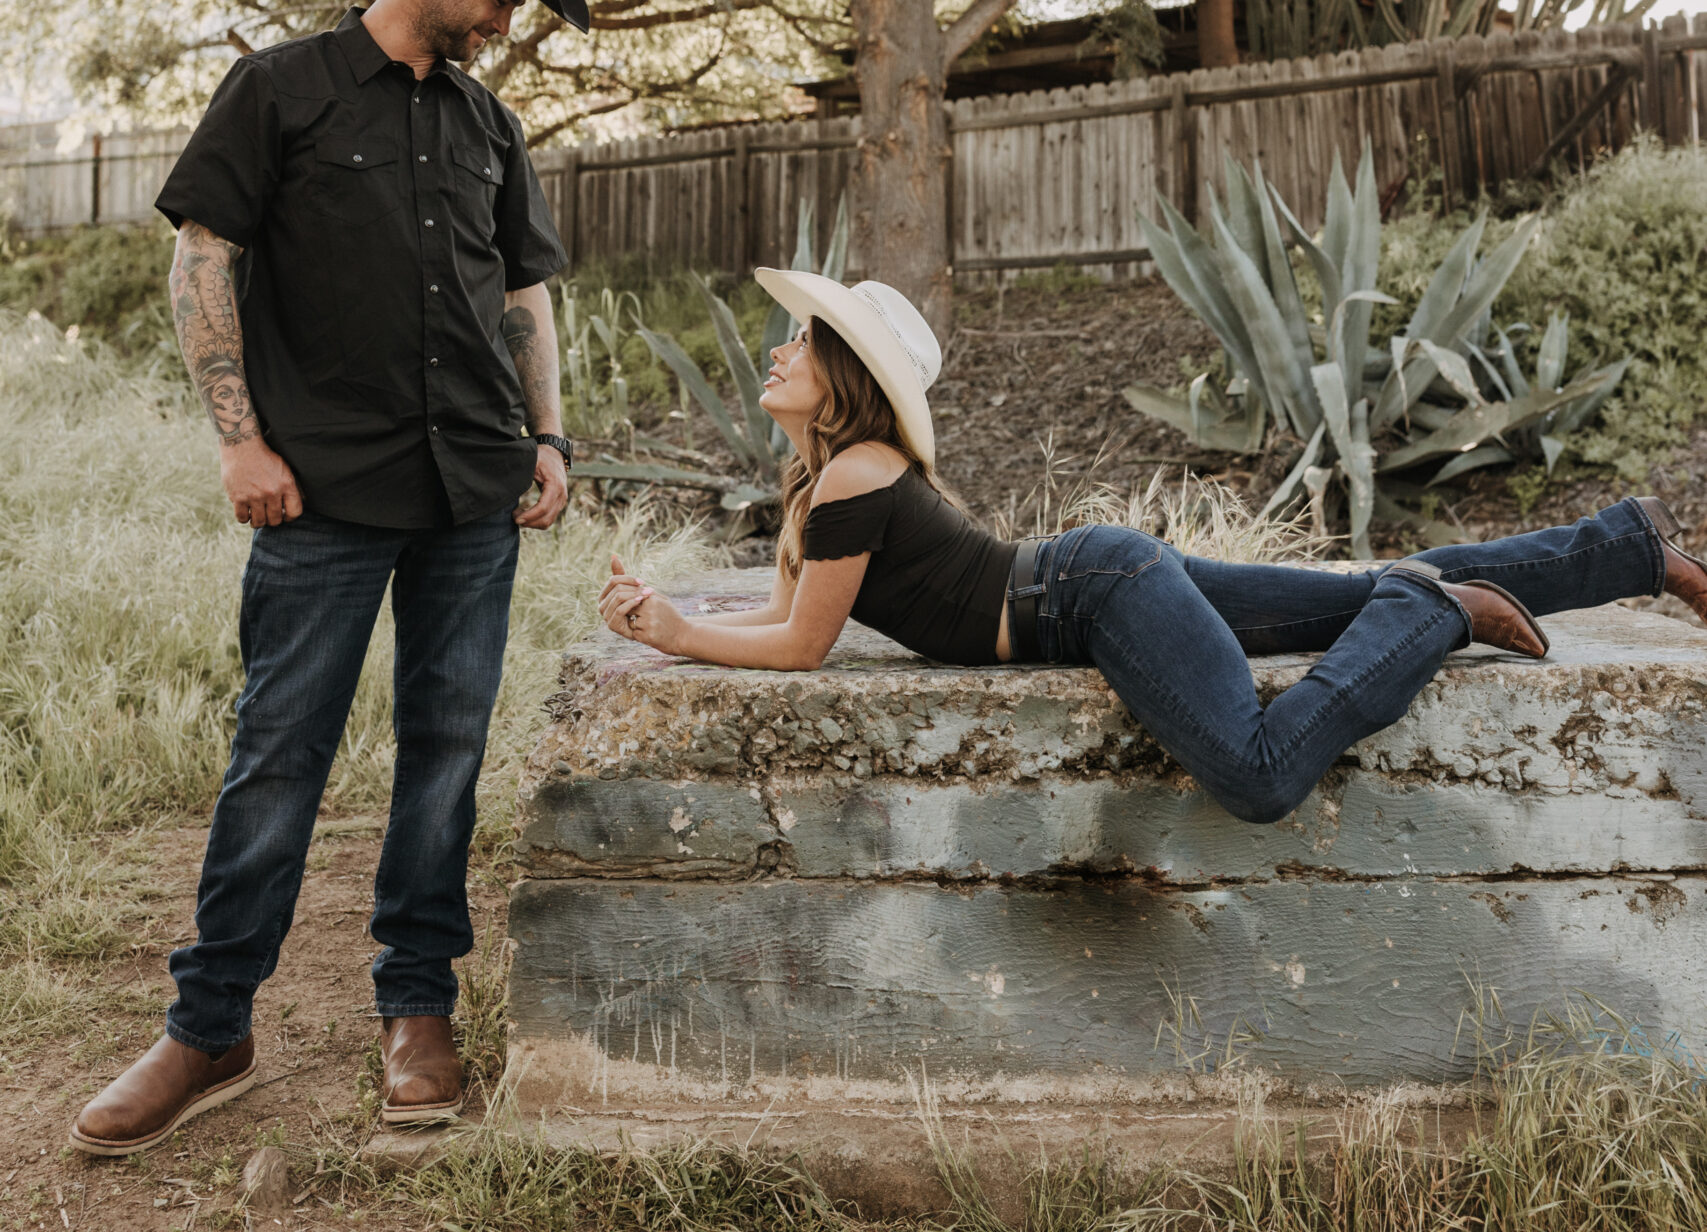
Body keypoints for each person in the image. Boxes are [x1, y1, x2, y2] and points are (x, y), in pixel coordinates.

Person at [72, 0, 588, 1157]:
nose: (504, 25)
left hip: (473, 489)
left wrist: (551, 435)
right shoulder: (279, 89)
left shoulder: (489, 123)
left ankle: (417, 1009)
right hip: (321, 493)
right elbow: (203, 256)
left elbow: (525, 290)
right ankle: (210, 1026)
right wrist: (238, 438)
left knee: (446, 752)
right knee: (279, 755)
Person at [600, 265, 1707, 831]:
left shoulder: (852, 474)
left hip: (1096, 595)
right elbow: (789, 625)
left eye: (804, 336)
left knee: (1260, 774)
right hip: (1098, 576)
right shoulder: (824, 482)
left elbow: (800, 648)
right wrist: (669, 622)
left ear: (843, 369)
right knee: (1358, 590)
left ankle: (1438, 611)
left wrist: (681, 631)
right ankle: (1627, 548)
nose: (782, 346)